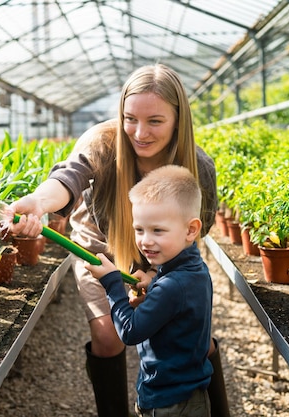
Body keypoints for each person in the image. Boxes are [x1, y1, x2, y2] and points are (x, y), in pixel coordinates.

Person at [7, 63, 229, 417]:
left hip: (165, 258)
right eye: (130, 118)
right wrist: (38, 202)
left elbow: (197, 232)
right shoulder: (102, 143)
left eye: (155, 121)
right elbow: (69, 177)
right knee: (109, 337)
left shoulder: (198, 165)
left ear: (178, 119)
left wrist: (161, 279)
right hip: (101, 252)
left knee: (193, 344)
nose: (140, 133)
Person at [85, 164, 213, 416]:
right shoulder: (194, 270)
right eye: (139, 229)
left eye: (158, 230)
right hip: (188, 397)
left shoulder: (172, 286)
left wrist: (112, 283)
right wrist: (153, 283)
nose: (145, 240)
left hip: (169, 404)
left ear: (191, 229)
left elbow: (130, 332)